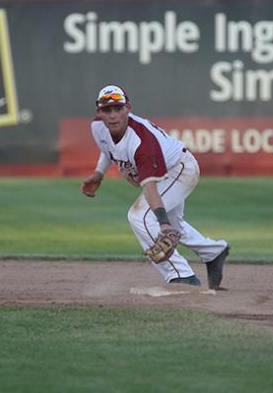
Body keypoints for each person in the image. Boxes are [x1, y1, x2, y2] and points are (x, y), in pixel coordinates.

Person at [81, 84, 230, 288]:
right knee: (173, 227)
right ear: (99, 112)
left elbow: (150, 189)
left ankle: (182, 276)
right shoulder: (98, 127)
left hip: (180, 169)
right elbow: (107, 148)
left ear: (128, 108)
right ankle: (213, 252)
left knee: (140, 216)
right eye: (107, 110)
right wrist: (99, 173)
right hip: (167, 168)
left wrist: (163, 223)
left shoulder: (141, 142)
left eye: (118, 108)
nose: (113, 115)